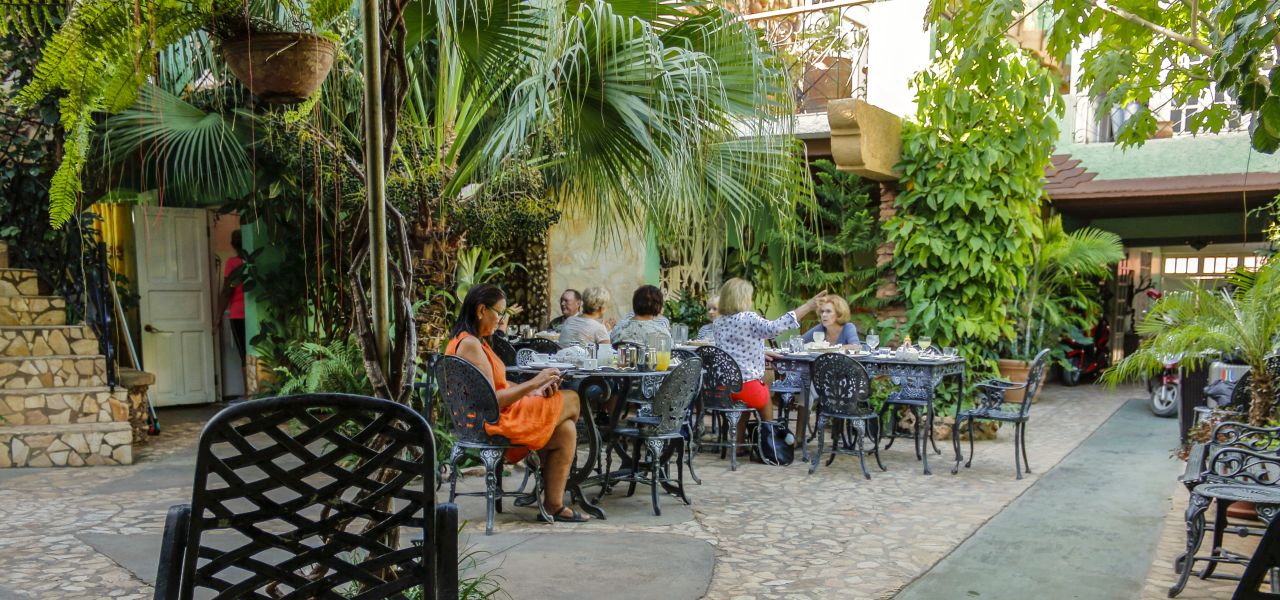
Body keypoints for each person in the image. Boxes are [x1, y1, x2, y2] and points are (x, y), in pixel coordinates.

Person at [446, 284, 589, 523]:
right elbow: (491, 399)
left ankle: (553, 503)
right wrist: (535, 383)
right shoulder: (471, 344)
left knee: (566, 431)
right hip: (492, 422)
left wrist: (533, 392)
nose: (502, 320)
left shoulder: (469, 340)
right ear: (482, 310)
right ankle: (540, 454)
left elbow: (498, 387)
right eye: (500, 313)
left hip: (492, 416)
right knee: (572, 399)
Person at [712, 278, 824, 420]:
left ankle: (738, 441)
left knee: (743, 402)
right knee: (763, 396)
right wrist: (808, 306)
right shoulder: (749, 318)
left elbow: (732, 349)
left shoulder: (718, 323)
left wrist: (760, 351)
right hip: (746, 388)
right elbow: (775, 328)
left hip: (723, 389)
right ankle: (769, 435)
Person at [214, 230, 247, 365]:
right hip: (257, 316)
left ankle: (249, 387)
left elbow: (227, 291)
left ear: (233, 245)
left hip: (239, 316)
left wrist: (217, 318)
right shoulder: (256, 262)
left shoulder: (233, 263)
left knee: (245, 357)